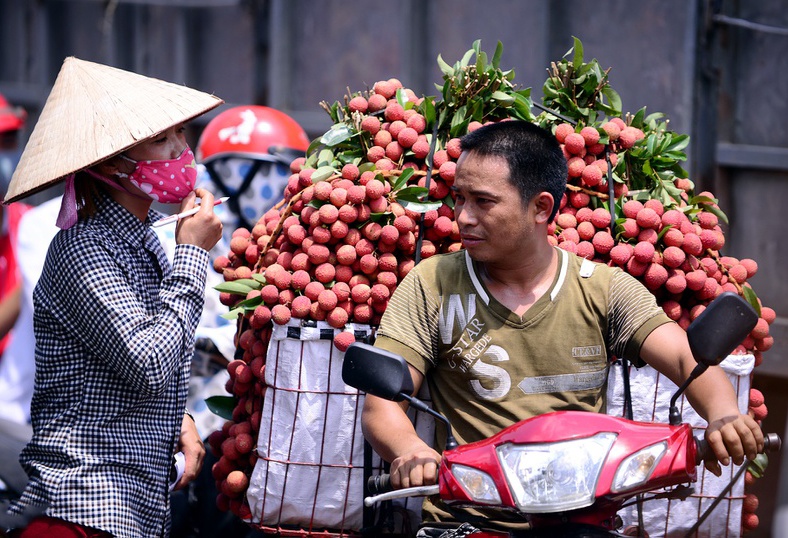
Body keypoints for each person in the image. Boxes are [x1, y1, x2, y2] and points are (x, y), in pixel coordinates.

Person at [361, 120, 764, 534]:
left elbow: (684, 357)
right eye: (459, 198)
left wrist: (723, 414)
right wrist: (410, 452)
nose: (463, 217)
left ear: (540, 207)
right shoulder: (433, 283)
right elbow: (383, 403)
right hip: (467, 520)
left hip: (586, 515)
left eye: (483, 202)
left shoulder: (603, 289)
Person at [3, 57, 224, 537]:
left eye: (182, 135)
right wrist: (191, 255)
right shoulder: (84, 249)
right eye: (163, 140)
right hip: (85, 502)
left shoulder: (142, 241)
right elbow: (147, 363)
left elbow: (124, 365)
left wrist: (175, 415)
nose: (181, 151)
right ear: (111, 163)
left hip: (133, 506)